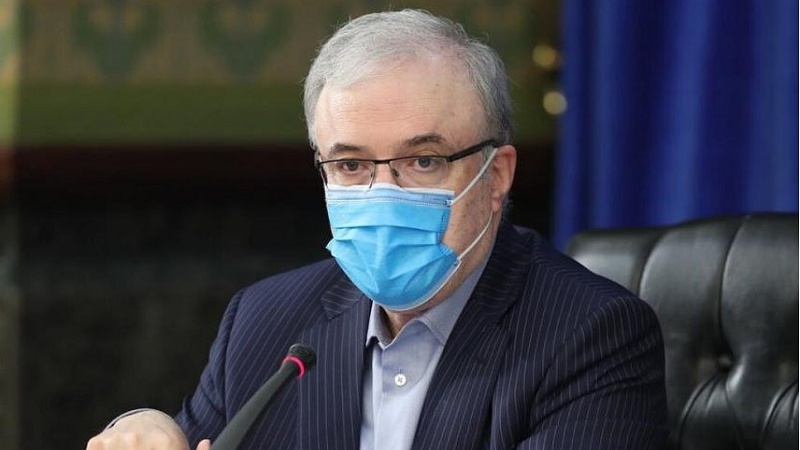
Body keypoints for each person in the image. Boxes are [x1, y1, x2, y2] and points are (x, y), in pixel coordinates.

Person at [87, 9, 667, 450]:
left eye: (423, 161)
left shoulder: (592, 335)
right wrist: (147, 425)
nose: (382, 193)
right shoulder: (264, 321)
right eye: (350, 165)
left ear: (496, 176)